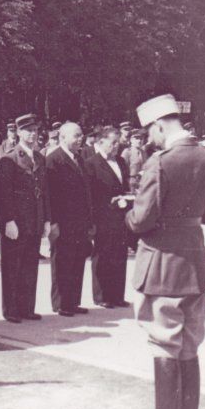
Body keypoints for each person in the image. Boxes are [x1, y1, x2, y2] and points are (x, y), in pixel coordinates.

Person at [123, 94, 205, 409]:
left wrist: (128, 211)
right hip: (195, 264)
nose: (149, 138)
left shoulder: (159, 163)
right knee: (188, 348)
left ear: (160, 125)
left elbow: (141, 220)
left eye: (150, 131)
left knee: (164, 346)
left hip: (162, 264)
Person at [0, 113, 51, 324]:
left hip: (35, 219)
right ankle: (11, 309)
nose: (33, 134)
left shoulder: (39, 157)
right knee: (13, 266)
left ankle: (27, 307)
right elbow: (5, 193)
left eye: (35, 130)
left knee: (30, 265)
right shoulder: (9, 158)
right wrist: (8, 220)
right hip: (17, 221)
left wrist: (46, 218)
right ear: (18, 132)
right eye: (28, 130)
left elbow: (45, 190)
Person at [46, 122, 93, 317]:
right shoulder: (54, 160)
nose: (80, 138)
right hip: (63, 222)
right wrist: (53, 222)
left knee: (77, 261)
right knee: (62, 262)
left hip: (79, 222)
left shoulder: (79, 159)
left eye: (81, 134)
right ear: (63, 137)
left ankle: (73, 301)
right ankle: (61, 303)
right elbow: (51, 194)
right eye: (76, 135)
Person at [84, 126, 131, 308]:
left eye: (118, 143)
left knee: (120, 255)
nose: (116, 146)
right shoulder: (91, 163)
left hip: (120, 217)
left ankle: (117, 295)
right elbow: (90, 194)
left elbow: (124, 186)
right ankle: (102, 296)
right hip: (102, 217)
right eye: (112, 143)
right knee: (103, 256)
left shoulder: (120, 161)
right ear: (101, 142)